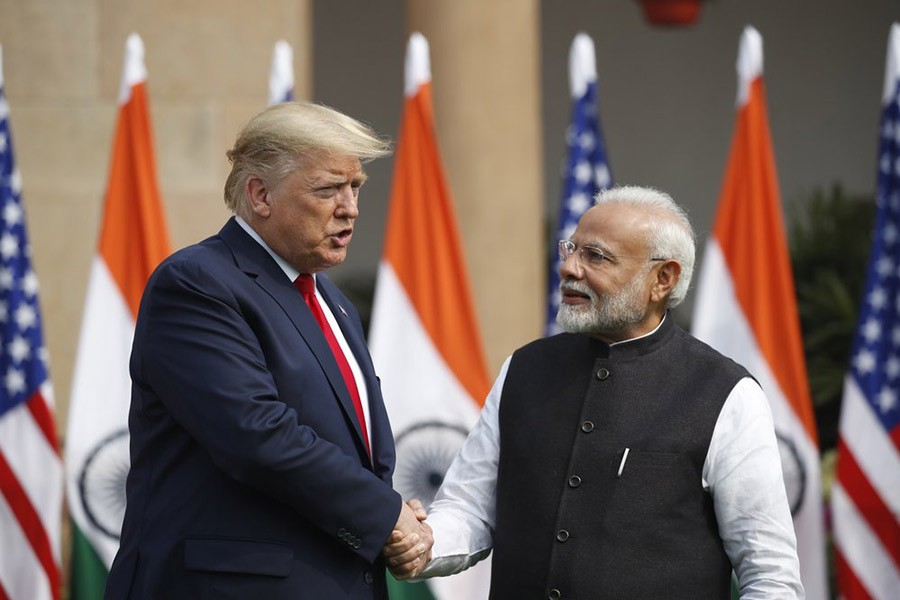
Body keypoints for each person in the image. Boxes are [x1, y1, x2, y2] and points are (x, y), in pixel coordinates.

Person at [386, 185, 804, 598]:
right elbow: (469, 507)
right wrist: (422, 543)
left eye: (596, 256)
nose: (569, 268)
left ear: (662, 279)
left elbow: (769, 574)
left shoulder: (726, 393)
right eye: (570, 249)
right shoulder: (525, 369)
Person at [105, 102, 432, 599]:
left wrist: (390, 516)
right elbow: (257, 435)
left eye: (356, 187)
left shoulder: (331, 301)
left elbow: (350, 447)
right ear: (260, 195)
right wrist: (386, 515)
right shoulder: (198, 283)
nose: (351, 207)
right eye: (328, 189)